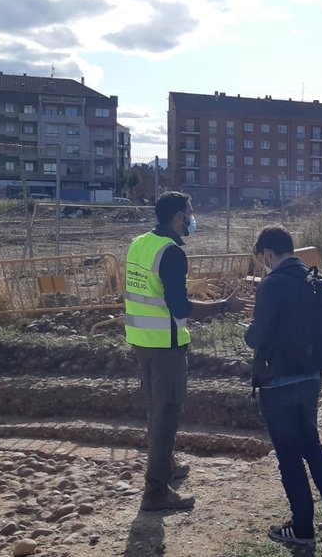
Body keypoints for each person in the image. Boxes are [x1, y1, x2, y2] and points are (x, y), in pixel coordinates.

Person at [125, 191, 248, 511]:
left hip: (140, 340)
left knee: (156, 409)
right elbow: (179, 308)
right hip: (164, 344)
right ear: (179, 217)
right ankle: (156, 491)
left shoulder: (140, 243)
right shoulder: (172, 253)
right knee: (167, 412)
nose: (193, 219)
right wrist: (224, 306)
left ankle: (165, 465)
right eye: (190, 213)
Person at [246, 225, 322, 547]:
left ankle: (303, 528)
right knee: (312, 446)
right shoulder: (312, 280)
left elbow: (258, 336)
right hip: (309, 378)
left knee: (290, 457)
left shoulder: (272, 285)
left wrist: (247, 333)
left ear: (267, 254)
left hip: (277, 383)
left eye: (262, 259)